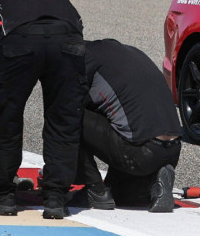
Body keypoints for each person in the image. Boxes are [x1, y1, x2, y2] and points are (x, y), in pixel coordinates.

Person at [0, 0, 87, 220]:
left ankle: (3, 197)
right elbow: (76, 25)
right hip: (67, 39)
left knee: (6, 119)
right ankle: (56, 197)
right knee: (63, 119)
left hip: (20, 40)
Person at [76, 38, 183, 213]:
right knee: (121, 195)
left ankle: (94, 189)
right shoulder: (126, 53)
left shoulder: (83, 61)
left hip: (139, 153)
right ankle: (155, 181)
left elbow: (69, 109)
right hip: (172, 150)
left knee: (66, 116)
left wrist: (58, 174)